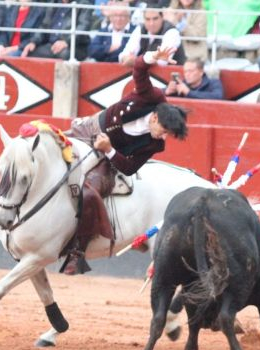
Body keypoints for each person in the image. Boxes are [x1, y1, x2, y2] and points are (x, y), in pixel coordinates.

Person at [63, 47, 189, 275]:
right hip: (89, 129)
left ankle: (76, 251)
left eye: (168, 134)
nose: (163, 137)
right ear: (155, 117)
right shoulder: (152, 98)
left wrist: (109, 150)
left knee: (91, 192)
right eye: (163, 130)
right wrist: (153, 56)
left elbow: (129, 167)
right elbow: (139, 70)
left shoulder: (155, 144)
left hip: (107, 156)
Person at [27, 0, 93, 61]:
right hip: (51, 45)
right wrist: (34, 41)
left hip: (74, 47)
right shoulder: (53, 3)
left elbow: (83, 26)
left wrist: (66, 41)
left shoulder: (83, 4)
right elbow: (44, 26)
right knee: (30, 51)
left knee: (64, 54)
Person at [119, 7, 185, 66]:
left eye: (155, 19)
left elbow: (161, 62)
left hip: (171, 75)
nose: (151, 23)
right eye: (148, 19)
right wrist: (126, 58)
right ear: (144, 20)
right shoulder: (140, 28)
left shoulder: (172, 32)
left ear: (162, 18)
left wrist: (136, 60)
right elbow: (123, 54)